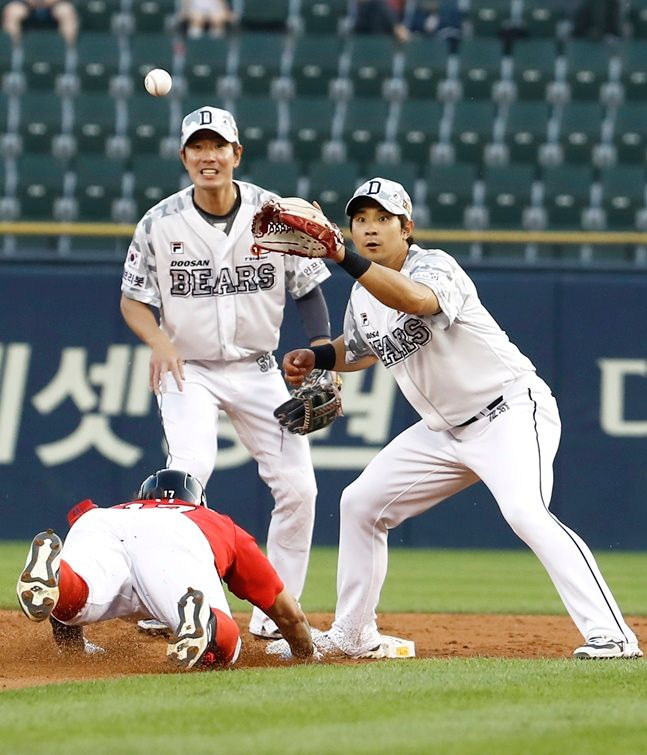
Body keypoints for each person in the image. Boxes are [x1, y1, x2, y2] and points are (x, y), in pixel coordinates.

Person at [272, 177, 643, 661]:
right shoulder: (363, 295)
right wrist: (317, 356)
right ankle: (354, 633)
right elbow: (360, 350)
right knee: (361, 503)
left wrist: (344, 256)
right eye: (359, 220)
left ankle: (614, 636)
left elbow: (417, 301)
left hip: (507, 410)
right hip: (444, 431)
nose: (369, 228)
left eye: (382, 218)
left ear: (407, 228)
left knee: (525, 512)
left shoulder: (435, 265)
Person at [119, 106, 332, 641]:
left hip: (259, 368)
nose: (207, 156)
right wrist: (159, 340)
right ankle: (174, 600)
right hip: (188, 367)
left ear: (237, 154)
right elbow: (133, 301)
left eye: (218, 147)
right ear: (184, 157)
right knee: (185, 478)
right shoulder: (159, 222)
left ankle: (273, 617)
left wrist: (322, 352)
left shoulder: (276, 214)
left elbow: (308, 287)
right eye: (197, 147)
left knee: (299, 489)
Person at [16, 469, 315, 668]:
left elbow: (58, 616)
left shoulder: (121, 510)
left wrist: (74, 654)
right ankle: (205, 625)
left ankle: (59, 576)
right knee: (226, 646)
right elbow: (287, 613)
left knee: (77, 593)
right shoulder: (213, 520)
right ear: (199, 502)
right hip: (178, 536)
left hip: (99, 522)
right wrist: (306, 654)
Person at [2, 0, 78, 46]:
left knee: (66, 11)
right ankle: (13, 53)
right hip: (26, 6)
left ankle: (69, 53)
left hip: (54, 6)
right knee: (13, 11)